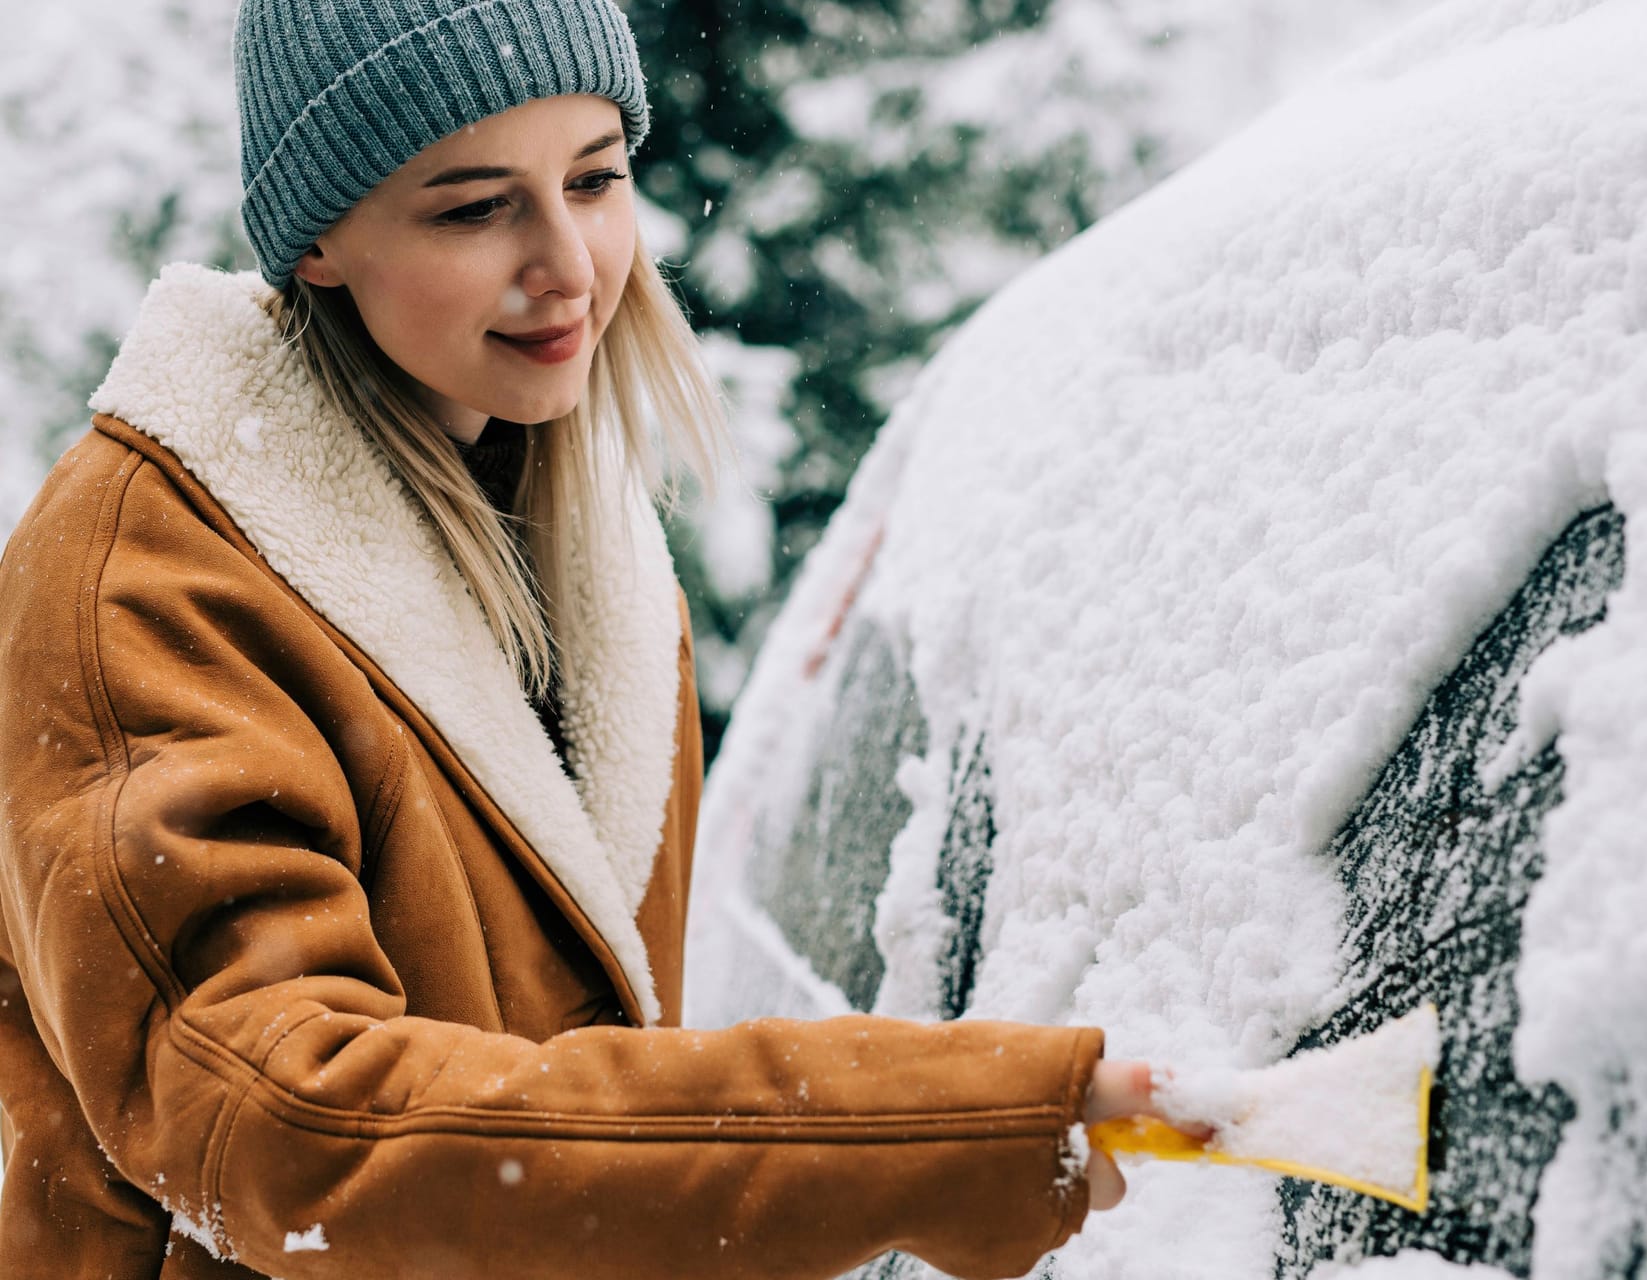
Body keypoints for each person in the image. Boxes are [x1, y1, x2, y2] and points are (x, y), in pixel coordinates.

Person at [0, 1, 1194, 1276]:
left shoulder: (583, 552)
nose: (569, 263)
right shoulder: (141, 587)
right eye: (475, 206)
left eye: (596, 178)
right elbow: (299, 1130)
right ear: (320, 244)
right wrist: (913, 1127)